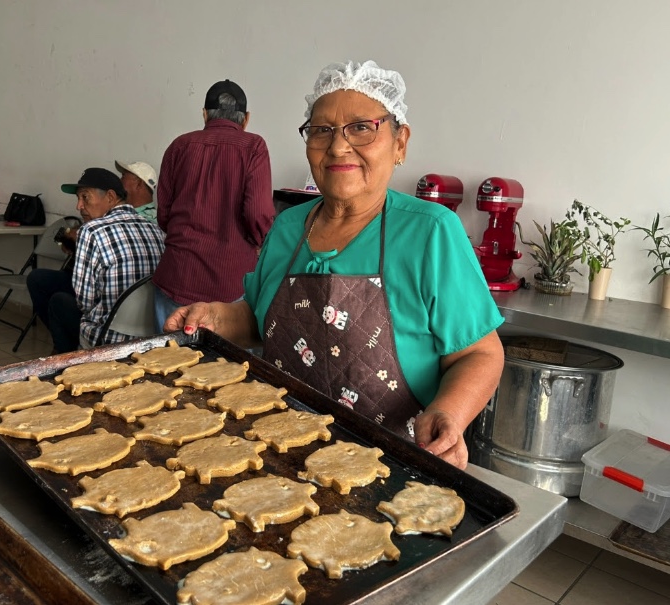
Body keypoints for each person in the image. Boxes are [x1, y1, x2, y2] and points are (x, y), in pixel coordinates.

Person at [164, 60, 505, 470]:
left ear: (400, 143)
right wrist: (214, 317)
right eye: (321, 130)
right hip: (278, 452)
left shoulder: (430, 232)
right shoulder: (289, 226)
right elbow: (255, 319)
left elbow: (481, 354)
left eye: (362, 127)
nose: (338, 146)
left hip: (391, 463)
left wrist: (450, 413)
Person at [152, 79, 275, 331]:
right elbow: (257, 214)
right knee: (226, 368)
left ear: (204, 114)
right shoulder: (253, 147)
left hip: (177, 275)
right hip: (230, 283)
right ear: (246, 118)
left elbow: (163, 216)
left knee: (166, 363)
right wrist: (260, 243)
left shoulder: (179, 145)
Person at [45, 167, 164, 352]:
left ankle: (64, 366)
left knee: (58, 301)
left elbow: (85, 302)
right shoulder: (156, 229)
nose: (79, 206)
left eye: (85, 197)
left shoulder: (91, 230)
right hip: (150, 338)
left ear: (110, 197)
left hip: (107, 339)